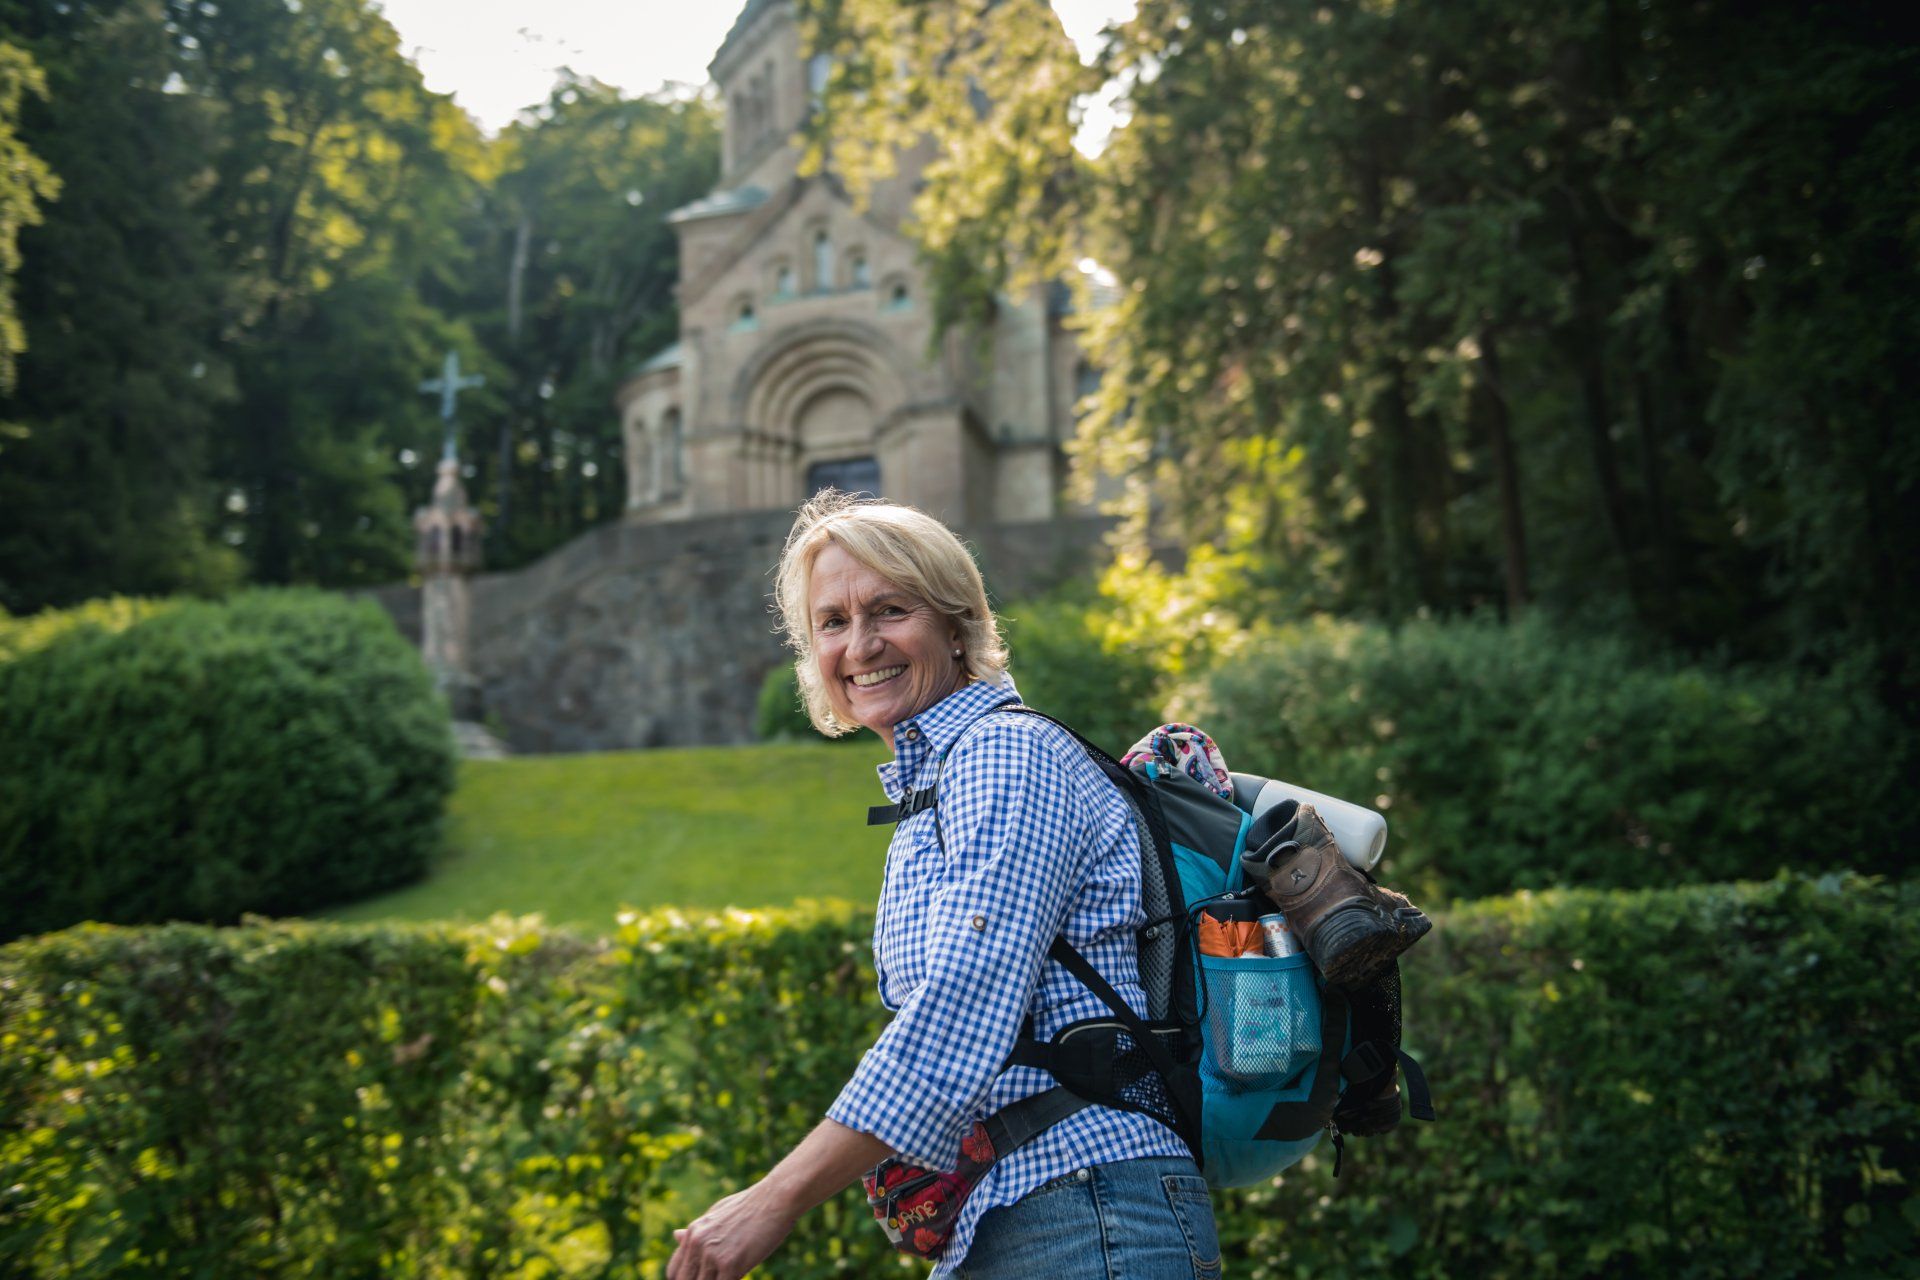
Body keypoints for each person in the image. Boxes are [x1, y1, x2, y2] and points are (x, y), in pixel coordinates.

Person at [667, 491, 1221, 1280]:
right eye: (831, 622)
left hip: (1086, 1207)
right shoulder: (936, 785)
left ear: (955, 624)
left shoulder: (1004, 754)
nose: (860, 644)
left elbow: (961, 1007)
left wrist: (775, 1197)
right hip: (1016, 1213)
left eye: (889, 609)